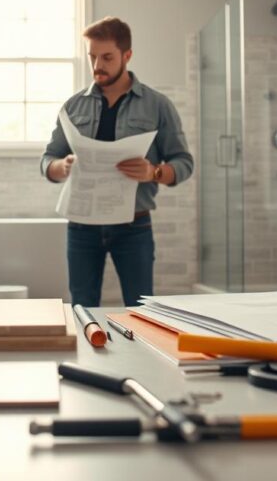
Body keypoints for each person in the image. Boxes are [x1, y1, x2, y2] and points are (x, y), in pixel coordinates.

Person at [41, 16, 194, 307]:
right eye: (93, 57)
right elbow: (48, 159)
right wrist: (62, 167)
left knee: (141, 309)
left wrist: (154, 171)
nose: (98, 65)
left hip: (134, 227)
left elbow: (184, 162)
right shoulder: (72, 106)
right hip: (81, 227)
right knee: (81, 308)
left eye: (107, 57)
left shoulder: (158, 105)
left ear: (127, 55)